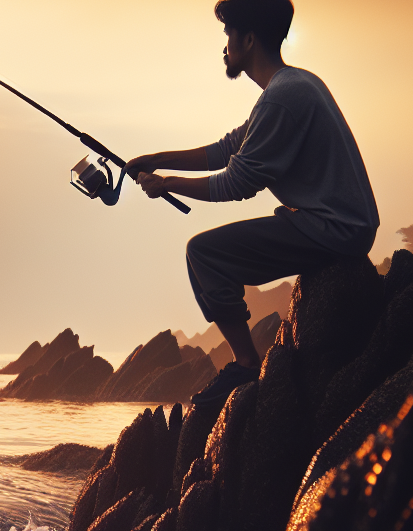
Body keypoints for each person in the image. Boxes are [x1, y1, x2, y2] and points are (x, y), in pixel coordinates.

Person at [125, 0, 379, 406]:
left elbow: (238, 181)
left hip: (334, 229)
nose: (224, 46)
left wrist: (166, 184)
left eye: (228, 36)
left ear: (247, 39)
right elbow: (228, 149)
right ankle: (243, 360)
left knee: (204, 254)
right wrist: (155, 160)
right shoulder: (292, 86)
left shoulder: (282, 99)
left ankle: (245, 362)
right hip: (335, 223)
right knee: (205, 254)